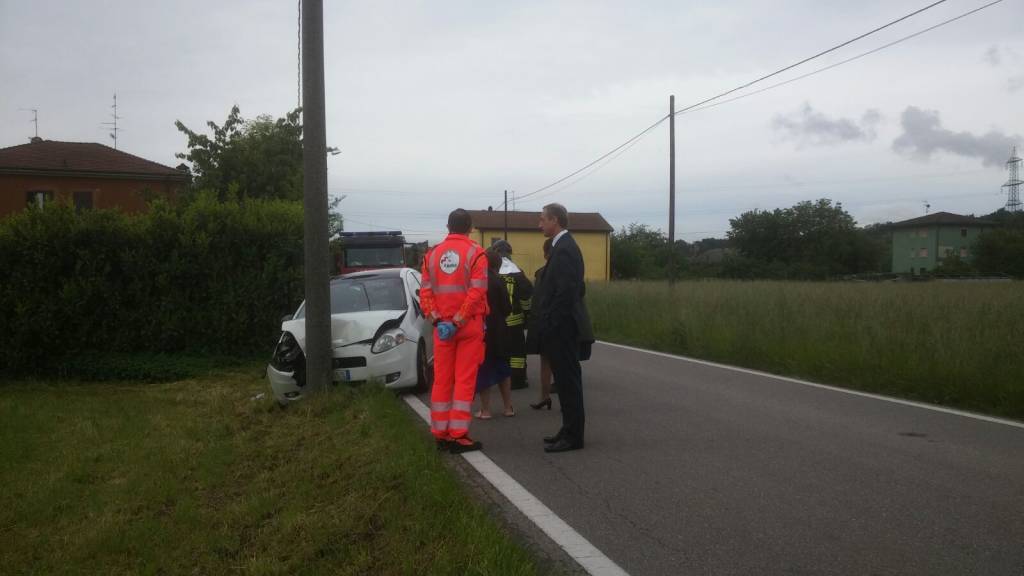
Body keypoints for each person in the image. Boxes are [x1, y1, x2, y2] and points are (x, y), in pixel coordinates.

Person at [419, 208, 488, 454]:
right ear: (470, 228)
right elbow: (477, 291)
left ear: (448, 227)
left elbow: (425, 293)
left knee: (442, 381)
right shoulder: (476, 254)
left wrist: (438, 321)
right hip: (467, 327)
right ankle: (459, 435)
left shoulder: (432, 255)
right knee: (464, 380)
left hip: (442, 330)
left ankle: (440, 433)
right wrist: (458, 320)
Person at [533, 203, 591, 453]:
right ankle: (568, 429)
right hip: (560, 327)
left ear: (554, 220)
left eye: (542, 219)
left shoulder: (565, 249)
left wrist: (551, 323)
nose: (539, 224)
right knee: (566, 383)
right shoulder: (561, 247)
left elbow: (567, 292)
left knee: (568, 383)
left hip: (563, 328)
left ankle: (574, 436)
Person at [489, 240, 533, 391]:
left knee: (498, 351)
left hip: (495, 322)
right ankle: (518, 380)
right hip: (515, 322)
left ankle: (497, 379)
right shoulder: (517, 272)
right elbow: (526, 295)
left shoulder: (491, 272)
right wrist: (527, 314)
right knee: (517, 353)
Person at [475, 250, 514, 419]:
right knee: (503, 370)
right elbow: (507, 308)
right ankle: (508, 408)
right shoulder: (499, 281)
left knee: (484, 370)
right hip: (500, 331)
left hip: (482, 331)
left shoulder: (478, 281)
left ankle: (485, 410)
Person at [527, 237, 555, 410]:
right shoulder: (569, 271)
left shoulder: (541, 273)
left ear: (545, 255)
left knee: (546, 361)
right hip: (557, 322)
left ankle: (545, 396)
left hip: (545, 323)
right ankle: (548, 397)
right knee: (558, 362)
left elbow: (536, 301)